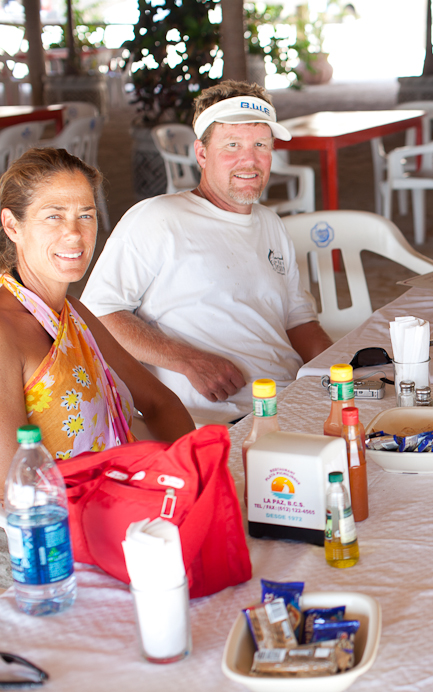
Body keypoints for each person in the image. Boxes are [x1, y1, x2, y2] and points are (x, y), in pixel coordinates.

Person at [82, 81, 333, 424]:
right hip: (218, 420)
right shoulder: (158, 218)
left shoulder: (270, 223)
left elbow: (298, 321)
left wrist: (339, 373)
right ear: (201, 153)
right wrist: (187, 360)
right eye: (232, 145)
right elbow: (97, 313)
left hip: (290, 400)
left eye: (261, 144)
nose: (250, 160)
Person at [0, 149, 194, 476]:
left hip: (124, 491)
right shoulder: (5, 331)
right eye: (54, 216)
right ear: (12, 226)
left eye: (86, 215)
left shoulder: (74, 313)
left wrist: (193, 474)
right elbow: (11, 485)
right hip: (64, 507)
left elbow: (161, 403)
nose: (75, 233)